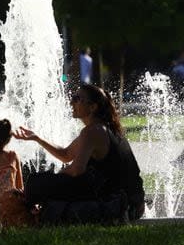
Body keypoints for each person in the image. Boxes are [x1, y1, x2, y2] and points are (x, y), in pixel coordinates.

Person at [13, 84, 145, 222]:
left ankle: (23, 217)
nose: (71, 102)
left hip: (120, 205)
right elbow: (66, 154)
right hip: (131, 202)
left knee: (37, 183)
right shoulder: (100, 128)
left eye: (77, 99)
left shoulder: (93, 131)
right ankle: (31, 212)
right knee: (44, 186)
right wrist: (36, 138)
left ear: (93, 107)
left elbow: (76, 170)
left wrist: (52, 179)